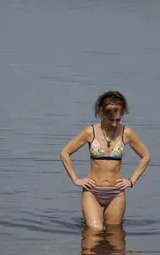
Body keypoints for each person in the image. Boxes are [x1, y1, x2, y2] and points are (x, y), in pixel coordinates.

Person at [60, 90, 151, 230]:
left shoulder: (127, 133)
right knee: (94, 231)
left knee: (114, 234)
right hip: (92, 191)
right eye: (111, 119)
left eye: (118, 119)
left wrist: (131, 180)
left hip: (116, 193)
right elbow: (65, 153)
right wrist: (76, 179)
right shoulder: (90, 132)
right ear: (102, 113)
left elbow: (146, 156)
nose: (115, 124)